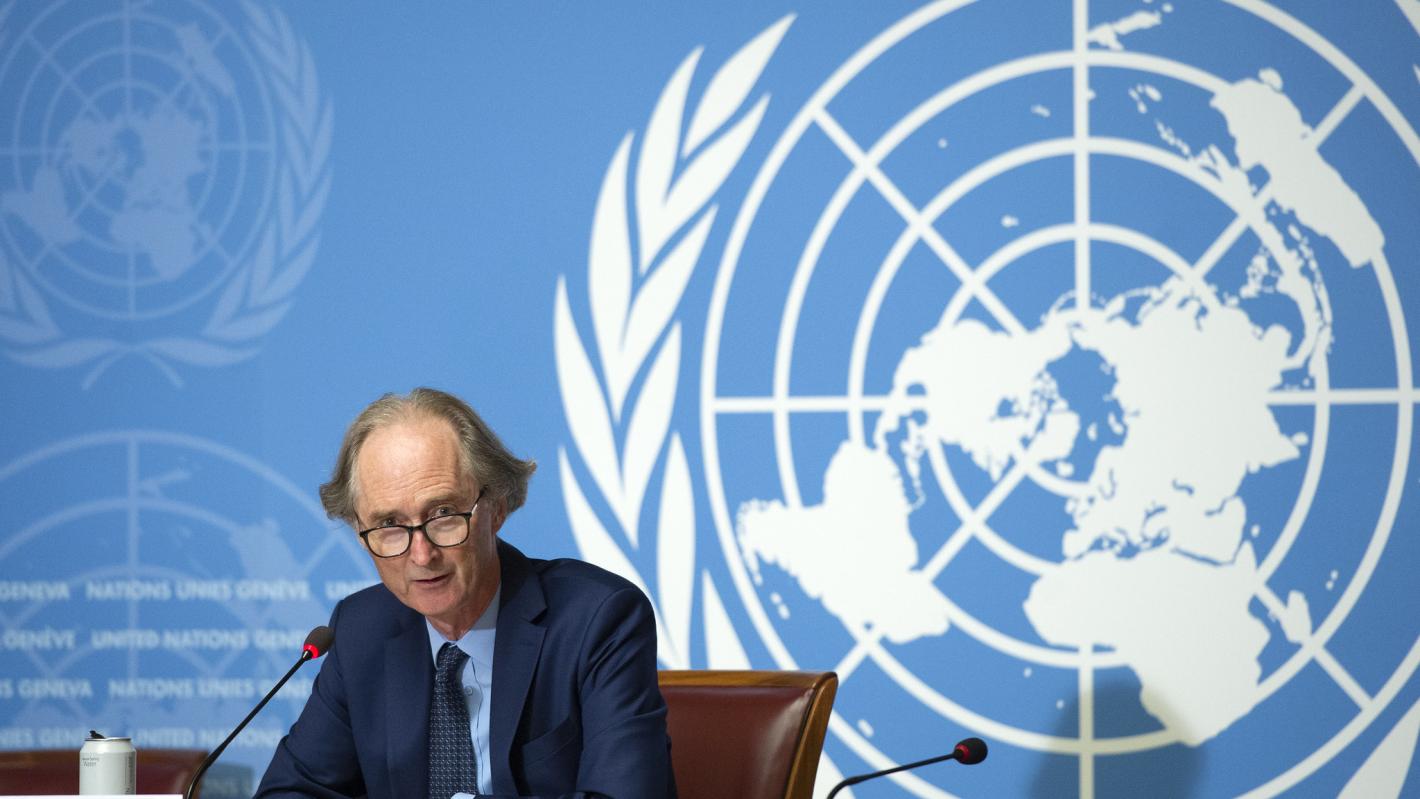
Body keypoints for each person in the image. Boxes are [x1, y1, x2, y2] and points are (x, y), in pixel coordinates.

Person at [256, 388, 676, 798]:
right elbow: (290, 790)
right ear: (360, 535)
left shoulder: (596, 620)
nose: (421, 555)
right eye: (389, 525)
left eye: (443, 514)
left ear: (496, 508)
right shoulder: (361, 630)